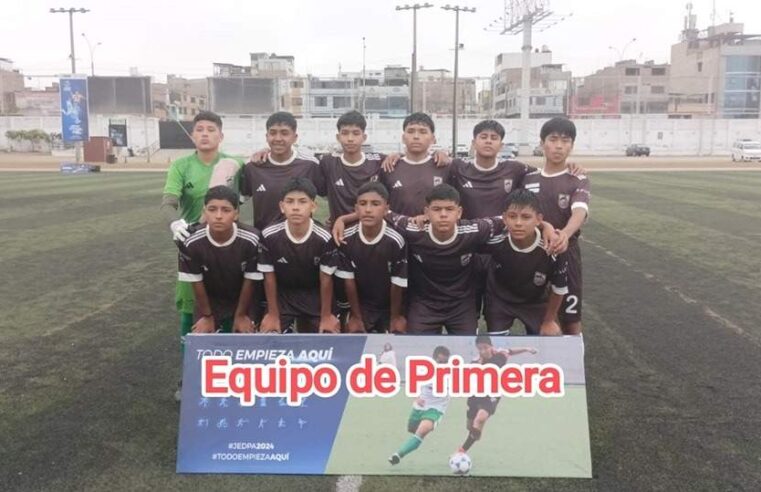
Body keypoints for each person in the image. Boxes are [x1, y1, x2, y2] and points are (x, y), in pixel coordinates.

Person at [161, 111, 243, 355]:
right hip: (194, 246)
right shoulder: (181, 166)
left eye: (210, 129)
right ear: (192, 135)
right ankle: (188, 379)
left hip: (229, 246)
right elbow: (168, 203)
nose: (205, 134)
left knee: (229, 304)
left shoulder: (236, 163)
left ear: (221, 135)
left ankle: (228, 375)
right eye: (199, 129)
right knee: (191, 310)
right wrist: (175, 224)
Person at [522, 117, 590, 335]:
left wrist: (565, 235)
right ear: (542, 143)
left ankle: (572, 369)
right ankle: (539, 367)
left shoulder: (577, 178)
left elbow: (579, 211)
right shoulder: (527, 177)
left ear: (572, 145)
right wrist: (544, 227)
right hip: (533, 255)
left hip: (566, 253)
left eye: (565, 140)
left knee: (571, 320)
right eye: (553, 139)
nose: (559, 146)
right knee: (536, 318)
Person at [257, 177, 340, 333]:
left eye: (302, 202)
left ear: (313, 206)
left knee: (328, 334)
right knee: (269, 334)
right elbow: (269, 276)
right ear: (282, 206)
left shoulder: (325, 237)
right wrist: (273, 314)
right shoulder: (269, 235)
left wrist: (326, 315)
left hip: (315, 294)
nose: (296, 207)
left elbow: (326, 278)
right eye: (290, 202)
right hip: (283, 295)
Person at [482, 189, 568, 335]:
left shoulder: (552, 247)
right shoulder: (494, 240)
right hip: (500, 301)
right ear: (504, 218)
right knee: (497, 351)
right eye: (512, 216)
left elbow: (558, 289)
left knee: (550, 338)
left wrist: (549, 321)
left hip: (534, 302)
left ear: (539, 219)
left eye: (526, 217)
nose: (518, 223)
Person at [176, 186, 260, 335]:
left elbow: (250, 281)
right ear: (204, 212)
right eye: (212, 209)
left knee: (246, 345)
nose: (218, 216)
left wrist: (240, 315)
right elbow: (197, 282)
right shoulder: (190, 242)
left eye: (226, 210)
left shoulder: (252, 239)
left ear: (236, 214)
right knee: (203, 343)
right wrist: (207, 316)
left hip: (243, 299)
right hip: (209, 300)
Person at [335, 182, 408, 333]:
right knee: (352, 331)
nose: (368, 210)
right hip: (362, 305)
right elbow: (349, 281)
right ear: (356, 209)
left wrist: (395, 317)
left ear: (386, 209)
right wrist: (356, 317)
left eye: (375, 204)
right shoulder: (346, 238)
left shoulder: (395, 240)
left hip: (389, 305)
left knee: (398, 334)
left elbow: (397, 284)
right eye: (363, 204)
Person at [240, 111, 325, 230]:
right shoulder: (253, 167)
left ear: (295, 137)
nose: (278, 138)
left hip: (302, 241)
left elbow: (330, 195)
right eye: (273, 133)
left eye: (284, 133)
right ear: (266, 136)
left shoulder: (310, 165)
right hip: (265, 242)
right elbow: (237, 201)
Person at [456, 335, 537, 454]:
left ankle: (462, 450)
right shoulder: (475, 362)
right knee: (470, 427)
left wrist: (527, 349)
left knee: (480, 419)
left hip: (492, 394)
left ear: (491, 346)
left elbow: (511, 351)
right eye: (480, 349)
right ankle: (475, 433)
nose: (483, 351)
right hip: (476, 394)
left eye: (485, 347)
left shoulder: (500, 354)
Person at [380, 112, 452, 217]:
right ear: (403, 138)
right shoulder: (389, 166)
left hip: (433, 231)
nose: (416, 136)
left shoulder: (445, 166)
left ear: (433, 139)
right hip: (398, 231)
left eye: (423, 132)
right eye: (411, 131)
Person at [389, 345, 451, 465]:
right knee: (412, 429)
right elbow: (412, 384)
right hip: (420, 407)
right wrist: (416, 397)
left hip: (436, 409)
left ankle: (398, 455)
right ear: (433, 359)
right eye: (440, 361)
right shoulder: (423, 370)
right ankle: (414, 441)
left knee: (422, 431)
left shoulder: (452, 372)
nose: (442, 364)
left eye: (445, 362)